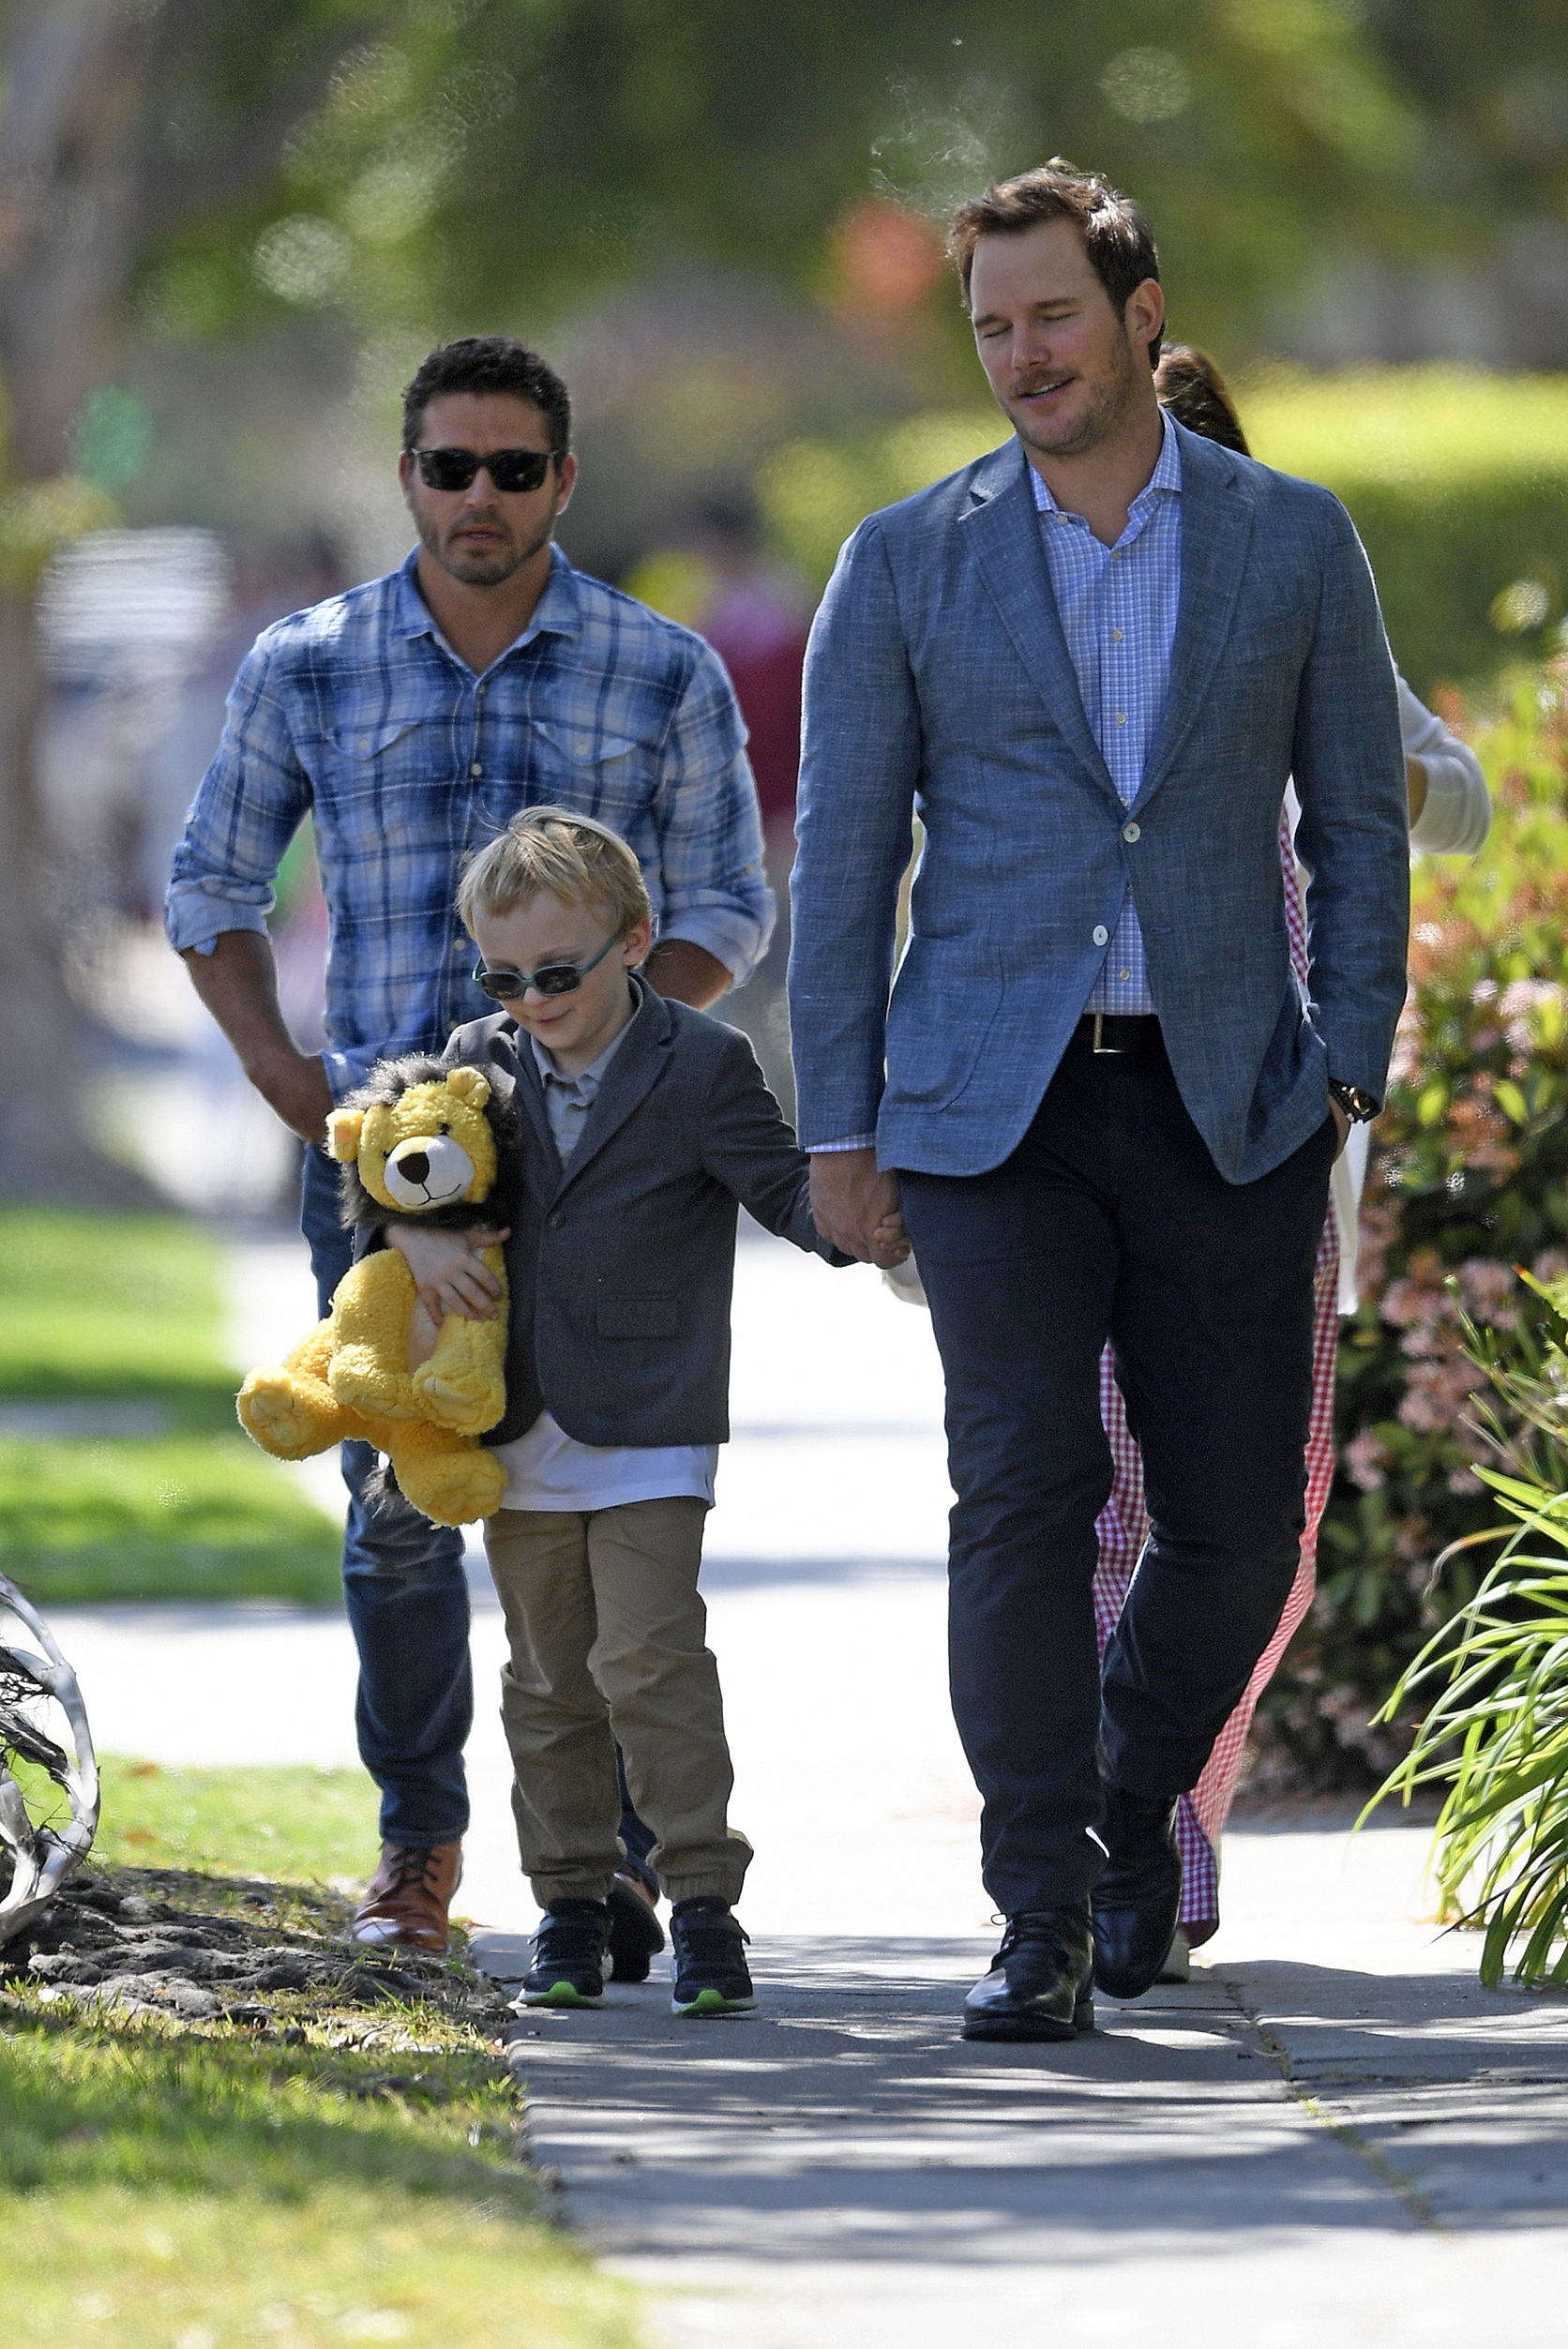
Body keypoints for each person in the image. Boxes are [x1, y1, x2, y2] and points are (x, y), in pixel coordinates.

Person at [788, 159, 1410, 2041]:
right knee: (1025, 1494)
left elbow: (1364, 824)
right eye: (991, 327)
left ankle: (1130, 1808)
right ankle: (1038, 1909)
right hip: (993, 1110)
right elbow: (845, 865)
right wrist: (840, 1126)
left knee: (1235, 1526)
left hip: (1230, 1097)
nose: (1022, 355)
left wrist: (1351, 1051)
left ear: (1142, 317)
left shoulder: (1291, 541)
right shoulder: (907, 557)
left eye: (1052, 316)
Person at [165, 336, 775, 1958]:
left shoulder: (659, 669)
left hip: (600, 1166)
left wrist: (628, 1046)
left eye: (516, 468)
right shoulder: (311, 662)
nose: (482, 496)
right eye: (452, 467)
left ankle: (628, 1854)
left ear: (564, 481)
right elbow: (208, 887)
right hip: (387, 1161)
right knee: (401, 1500)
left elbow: (725, 900)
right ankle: (418, 1851)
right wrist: (294, 1085)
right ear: (410, 478)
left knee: (598, 1500)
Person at [1093, 349, 1489, 1966]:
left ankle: (1151, 1814)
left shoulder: (1303, 611)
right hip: (1076, 1139)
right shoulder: (1047, 640)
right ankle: (1132, 1863)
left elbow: (1453, 797)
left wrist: (1335, 766)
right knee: (1102, 1505)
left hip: (1271, 1147)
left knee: (1265, 1522)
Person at [392, 807, 867, 2010]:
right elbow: (391, 1163)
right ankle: (571, 1900)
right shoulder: (472, 1058)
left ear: (637, 941)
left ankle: (704, 1900)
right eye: (507, 976)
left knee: (649, 1661)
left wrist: (880, 1222)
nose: (533, 998)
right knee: (548, 1680)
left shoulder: (700, 1064)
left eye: (559, 973)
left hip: (653, 1415)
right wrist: (410, 1228)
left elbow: (789, 1195)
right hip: (520, 1416)